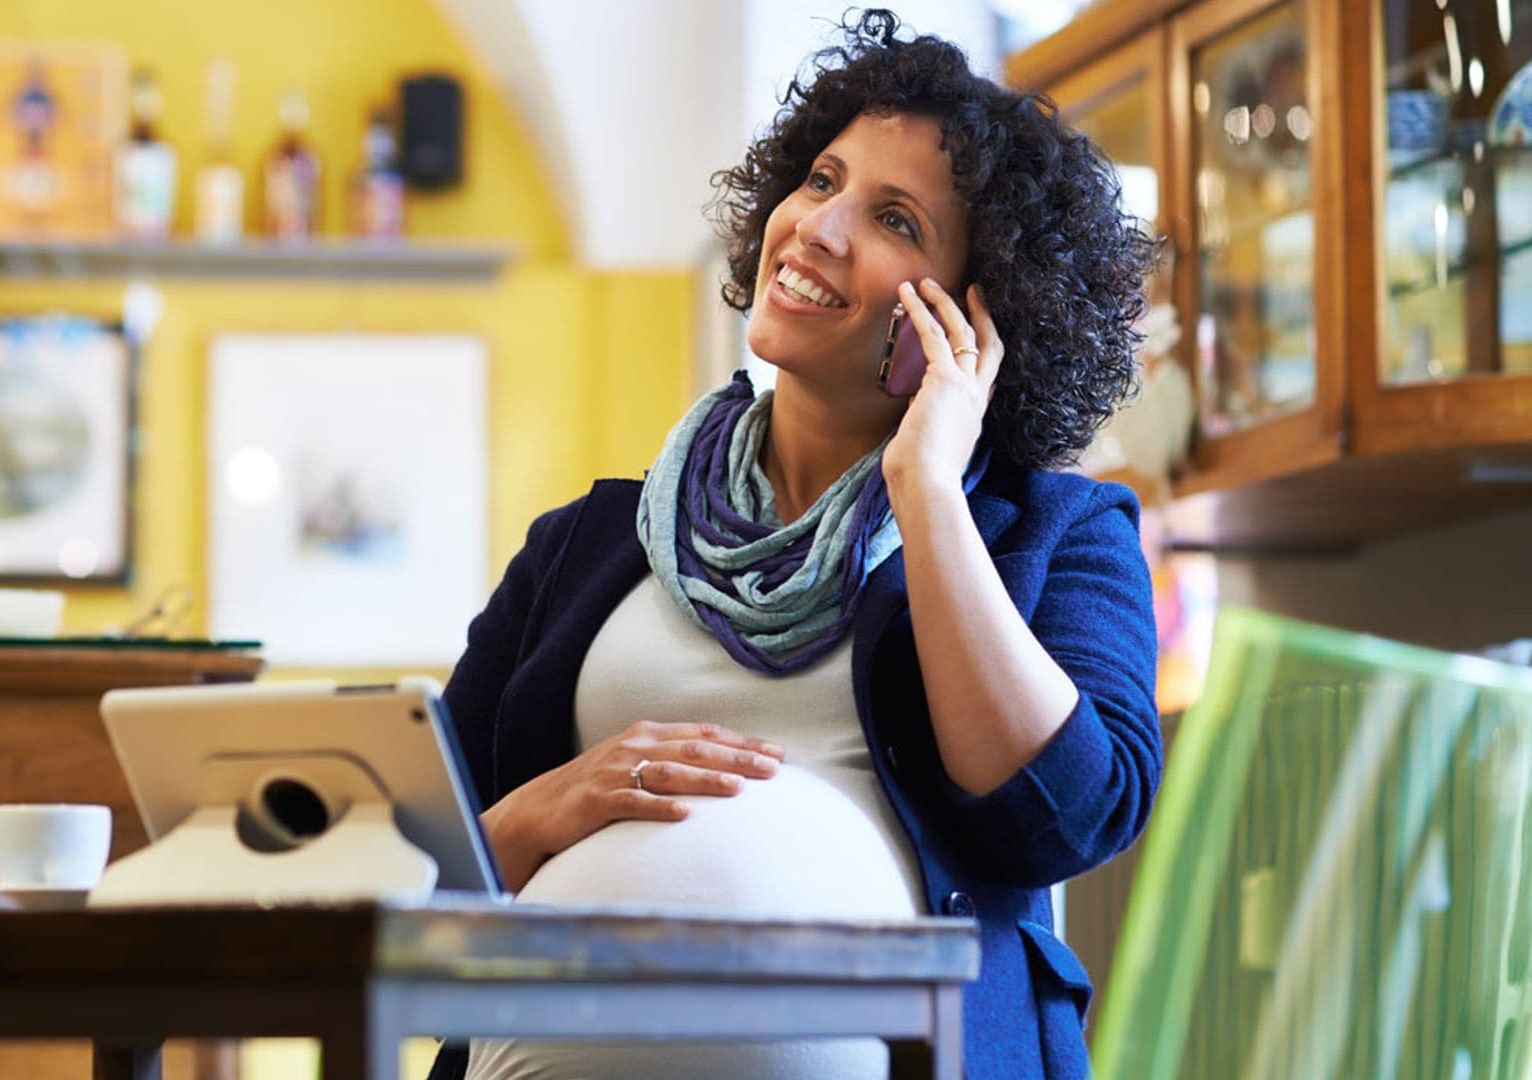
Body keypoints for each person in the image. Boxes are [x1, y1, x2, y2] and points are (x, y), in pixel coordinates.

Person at [431, 10, 1162, 1079]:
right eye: (821, 179)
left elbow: (1066, 818)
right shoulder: (587, 541)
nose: (818, 227)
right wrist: (541, 811)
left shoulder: (1054, 531)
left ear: (976, 314)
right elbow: (407, 866)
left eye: (896, 219)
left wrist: (926, 489)